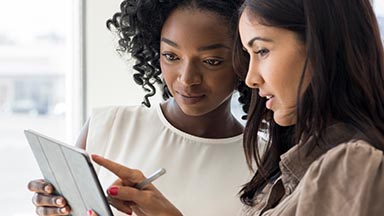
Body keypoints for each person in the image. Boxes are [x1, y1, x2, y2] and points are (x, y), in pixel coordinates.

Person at [86, 0, 384, 215]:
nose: (251, 77)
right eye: (170, 55)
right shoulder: (290, 164)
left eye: (262, 51)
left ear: (322, 45)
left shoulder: (353, 165)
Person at [27, 0, 254, 216]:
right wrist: (60, 207)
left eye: (211, 61)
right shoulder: (108, 126)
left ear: (245, 59)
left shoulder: (264, 163)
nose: (187, 79)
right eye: (171, 56)